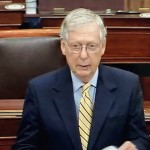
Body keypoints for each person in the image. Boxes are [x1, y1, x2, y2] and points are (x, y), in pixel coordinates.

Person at [12, 8, 150, 150]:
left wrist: (135, 147)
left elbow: (141, 139)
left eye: (91, 46)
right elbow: (24, 146)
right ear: (63, 47)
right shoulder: (39, 90)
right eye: (76, 46)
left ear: (102, 47)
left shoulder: (128, 85)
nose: (83, 55)